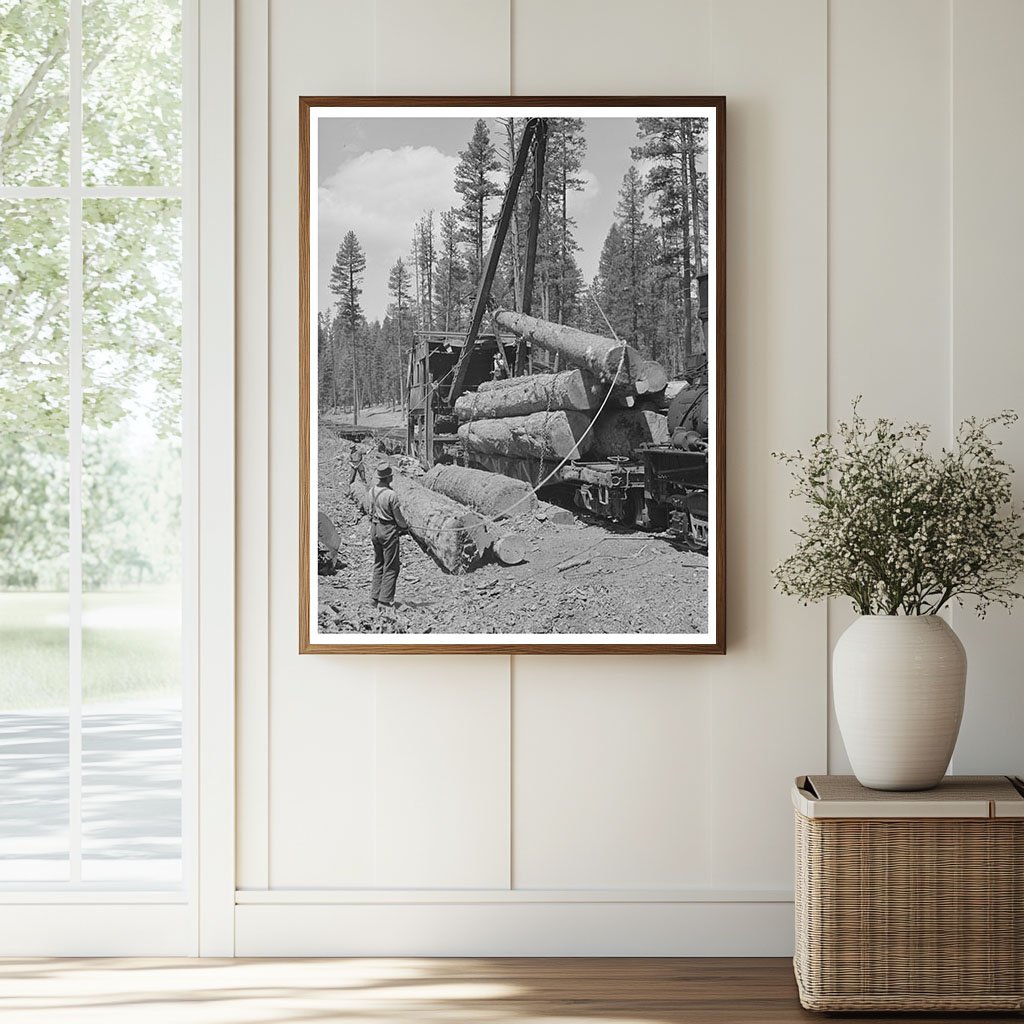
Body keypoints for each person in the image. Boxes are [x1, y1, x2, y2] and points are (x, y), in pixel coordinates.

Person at [368, 463, 409, 609]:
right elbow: (399, 519)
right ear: (388, 478)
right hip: (387, 530)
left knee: (379, 562)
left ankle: (374, 597)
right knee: (391, 565)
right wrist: (406, 526)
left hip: (375, 528)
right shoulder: (391, 495)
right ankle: (384, 601)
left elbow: (369, 511)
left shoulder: (372, 491)